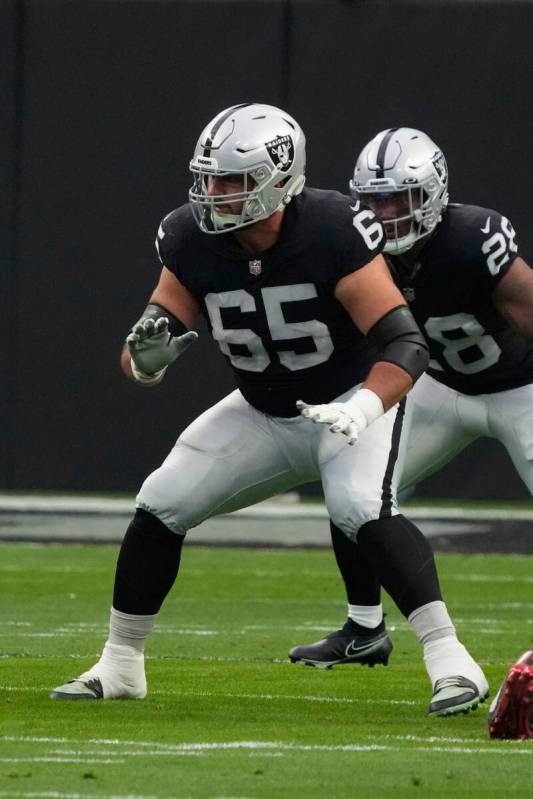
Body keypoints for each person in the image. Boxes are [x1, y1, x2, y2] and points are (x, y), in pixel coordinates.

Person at [49, 106, 487, 716]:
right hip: (262, 410)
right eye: (209, 179)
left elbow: (405, 344)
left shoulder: (333, 228)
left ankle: (451, 663)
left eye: (231, 180)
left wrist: (364, 407)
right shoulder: (189, 238)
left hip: (348, 402)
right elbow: (145, 344)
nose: (215, 194)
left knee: (361, 507)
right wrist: (146, 359)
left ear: (280, 177)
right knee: (161, 500)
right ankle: (121, 665)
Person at [289, 126, 533, 724]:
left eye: (398, 198)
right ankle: (364, 627)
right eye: (372, 201)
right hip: (438, 387)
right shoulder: (354, 243)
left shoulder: (475, 236)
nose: (384, 214)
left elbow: (529, 305)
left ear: (434, 193)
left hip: (521, 388)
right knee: (351, 476)